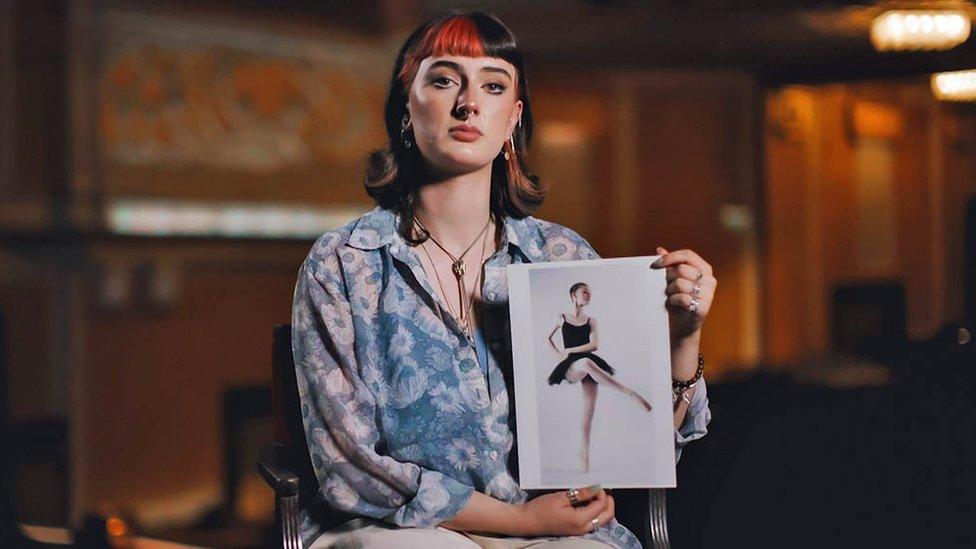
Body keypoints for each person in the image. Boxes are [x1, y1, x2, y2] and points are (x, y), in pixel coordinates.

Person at [291, 10, 714, 549]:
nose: (469, 102)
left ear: (513, 117)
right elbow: (348, 467)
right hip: (399, 531)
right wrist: (520, 522)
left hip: (553, 529)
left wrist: (683, 334)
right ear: (405, 106)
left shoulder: (560, 256)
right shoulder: (343, 264)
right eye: (444, 80)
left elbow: (642, 440)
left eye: (492, 85)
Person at [546, 282, 654, 472]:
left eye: (590, 293)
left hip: (590, 365)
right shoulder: (561, 318)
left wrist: (570, 349)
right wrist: (559, 355)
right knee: (585, 364)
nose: (588, 295)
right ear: (573, 294)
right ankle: (628, 392)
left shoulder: (591, 321)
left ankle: (584, 455)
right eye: (584, 292)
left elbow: (594, 345)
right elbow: (547, 338)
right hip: (572, 367)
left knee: (588, 413)